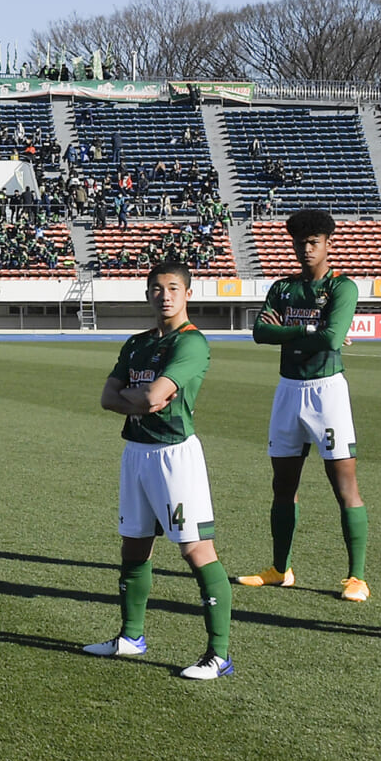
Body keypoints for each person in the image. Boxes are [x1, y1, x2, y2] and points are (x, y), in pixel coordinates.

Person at [85, 261, 237, 681]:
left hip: (174, 456)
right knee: (133, 548)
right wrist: (143, 399)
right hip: (135, 451)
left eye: (173, 288)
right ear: (147, 293)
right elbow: (108, 397)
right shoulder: (135, 343)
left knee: (196, 551)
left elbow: (153, 394)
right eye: (156, 288)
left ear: (188, 293)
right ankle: (131, 637)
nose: (164, 295)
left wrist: (141, 397)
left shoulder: (191, 344)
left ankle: (218, 654)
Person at [237, 210, 369, 601]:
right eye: (300, 242)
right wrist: (309, 329)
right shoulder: (282, 288)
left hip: (327, 391)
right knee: (283, 485)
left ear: (329, 244)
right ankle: (280, 568)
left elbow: (332, 340)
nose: (306, 249)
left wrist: (294, 332)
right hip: (288, 390)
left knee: (343, 486)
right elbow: (261, 332)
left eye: (314, 242)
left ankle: (356, 577)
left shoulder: (342, 287)